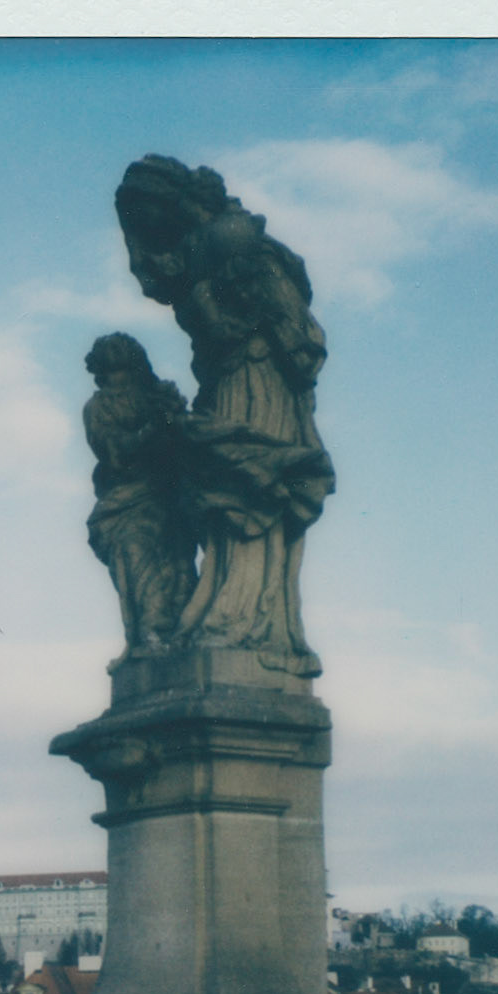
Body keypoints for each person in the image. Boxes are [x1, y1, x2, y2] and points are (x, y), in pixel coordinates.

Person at [114, 156, 335, 677]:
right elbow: (165, 281)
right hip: (228, 380)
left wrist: (271, 341)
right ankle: (228, 613)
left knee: (242, 485)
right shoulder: (200, 248)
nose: (147, 233)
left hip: (257, 381)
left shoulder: (230, 239)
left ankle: (244, 623)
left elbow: (296, 331)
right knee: (220, 488)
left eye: (150, 217)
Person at [82, 333, 197, 655]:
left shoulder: (155, 397)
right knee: (137, 558)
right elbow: (113, 449)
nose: (120, 379)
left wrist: (176, 418)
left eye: (126, 370)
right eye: (112, 371)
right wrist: (154, 429)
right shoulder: (97, 407)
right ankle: (149, 635)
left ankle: (177, 638)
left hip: (168, 497)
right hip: (126, 502)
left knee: (180, 569)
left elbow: (184, 442)